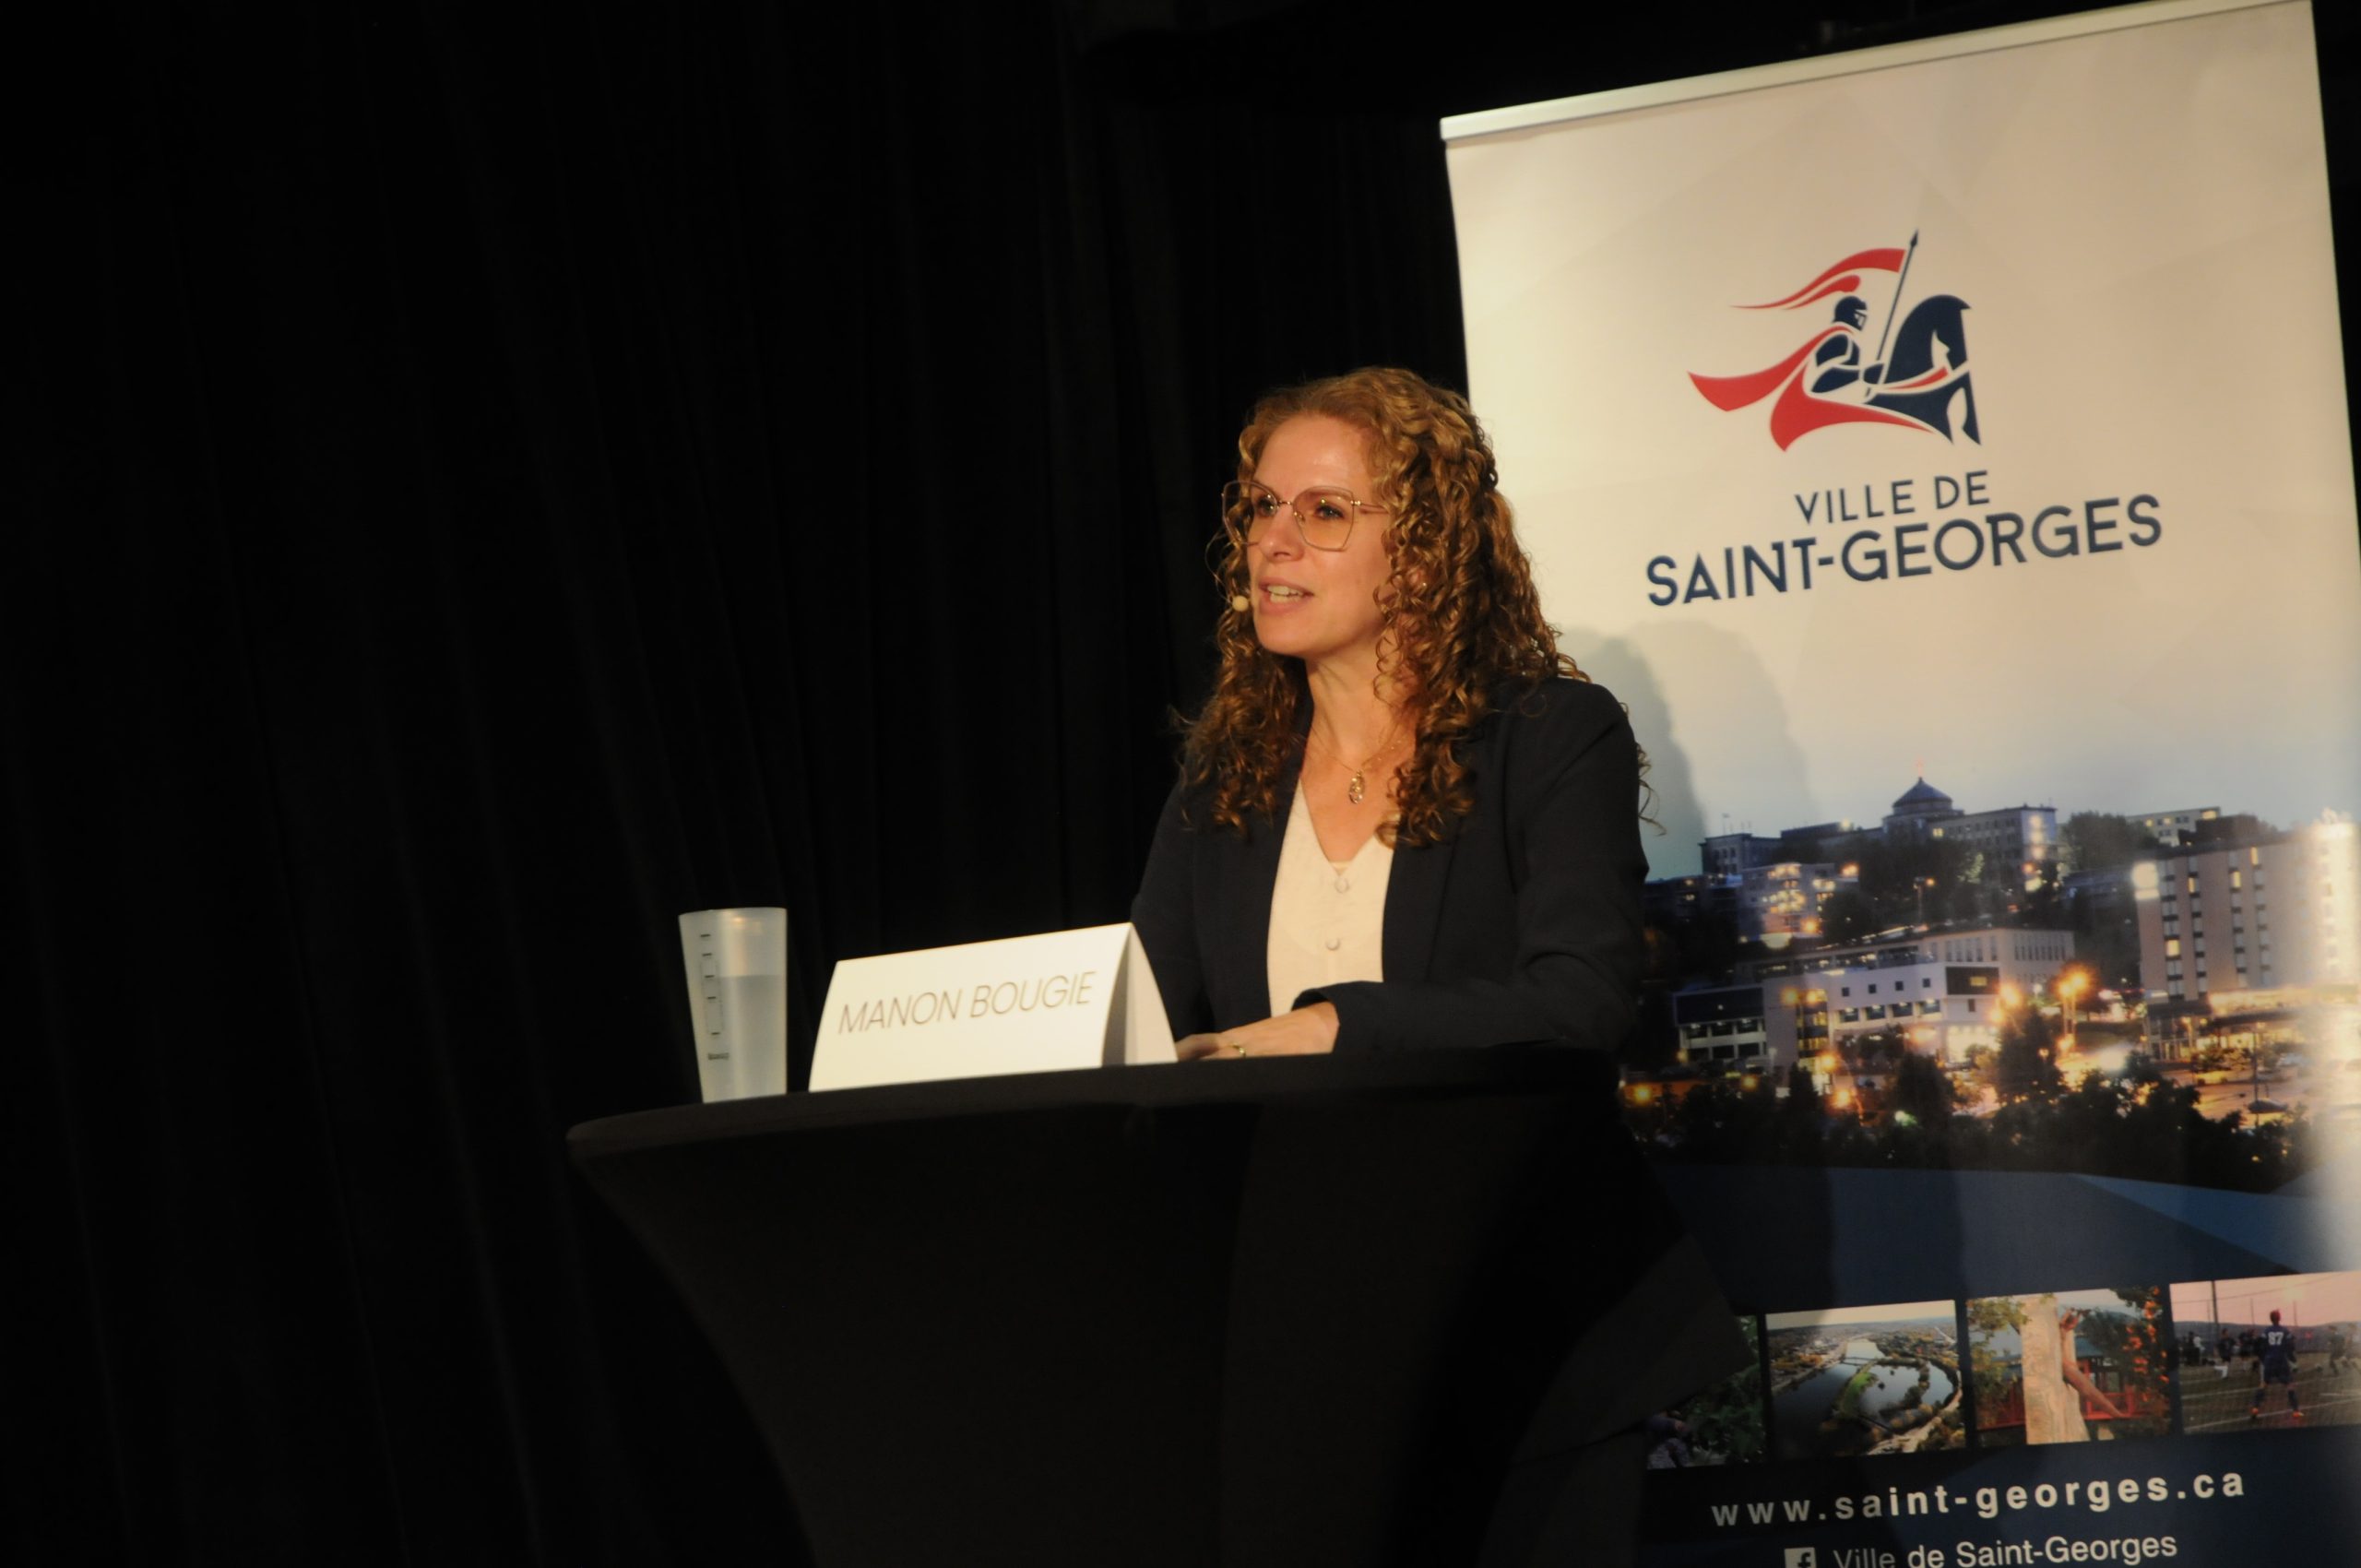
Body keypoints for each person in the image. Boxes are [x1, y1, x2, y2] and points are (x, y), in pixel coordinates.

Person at [1132, 366, 1647, 1061]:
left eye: (1324, 512)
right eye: (1262, 506)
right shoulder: (1227, 771)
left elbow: (1582, 1000)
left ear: (1422, 554)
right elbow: (1146, 1021)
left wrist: (1330, 1027)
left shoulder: (1548, 736)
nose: (1272, 540)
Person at [2252, 1310, 2302, 1422]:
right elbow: (2290, 1346)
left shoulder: (2266, 1331)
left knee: (2264, 1384)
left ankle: (2255, 1409)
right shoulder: (2284, 1330)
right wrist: (2293, 1359)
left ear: (2270, 1319)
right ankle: (2295, 1411)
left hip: (2269, 1360)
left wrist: (2264, 1358)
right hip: (2281, 1359)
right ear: (2279, 1318)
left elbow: (2260, 1345)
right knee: (2289, 1384)